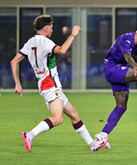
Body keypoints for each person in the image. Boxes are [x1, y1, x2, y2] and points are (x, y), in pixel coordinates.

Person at [10, 15, 108, 152]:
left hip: (47, 84)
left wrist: (17, 84)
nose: (52, 30)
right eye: (51, 27)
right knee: (58, 118)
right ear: (45, 28)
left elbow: (13, 61)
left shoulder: (30, 42)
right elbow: (62, 50)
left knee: (74, 114)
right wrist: (73, 35)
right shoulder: (45, 42)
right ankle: (30, 134)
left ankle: (92, 144)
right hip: (49, 84)